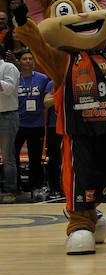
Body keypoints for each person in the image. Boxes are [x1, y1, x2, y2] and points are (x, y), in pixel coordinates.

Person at [14, 50, 52, 199]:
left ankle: (36, 186)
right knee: (13, 155)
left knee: (35, 157)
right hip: (18, 124)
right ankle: (17, 186)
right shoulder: (15, 79)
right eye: (25, 59)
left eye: (30, 58)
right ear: (19, 62)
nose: (28, 61)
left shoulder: (42, 79)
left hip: (37, 124)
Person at [0, 48, 20, 202]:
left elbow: (8, 89)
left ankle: (10, 191)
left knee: (7, 156)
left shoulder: (8, 67)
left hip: (7, 115)